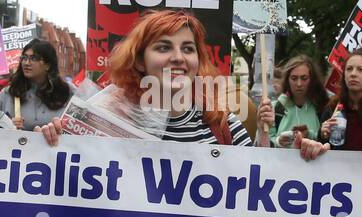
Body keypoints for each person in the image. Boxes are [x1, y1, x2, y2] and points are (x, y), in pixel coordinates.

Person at [39, 10, 273, 146]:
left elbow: (256, 194)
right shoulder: (103, 121)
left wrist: (305, 158)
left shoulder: (223, 126)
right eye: (164, 48)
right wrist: (50, 147)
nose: (179, 58)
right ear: (140, 61)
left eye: (188, 49)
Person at [0, 38, 72, 130]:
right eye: (24, 58)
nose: (27, 63)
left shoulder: (68, 92)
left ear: (48, 65)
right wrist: (7, 125)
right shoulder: (8, 93)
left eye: (33, 58)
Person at [273, 55, 329, 148]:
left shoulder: (322, 108)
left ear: (312, 80)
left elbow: (331, 143)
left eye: (304, 78)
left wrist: (309, 135)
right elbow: (262, 145)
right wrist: (279, 141)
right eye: (294, 78)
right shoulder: (275, 108)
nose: (299, 84)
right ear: (287, 80)